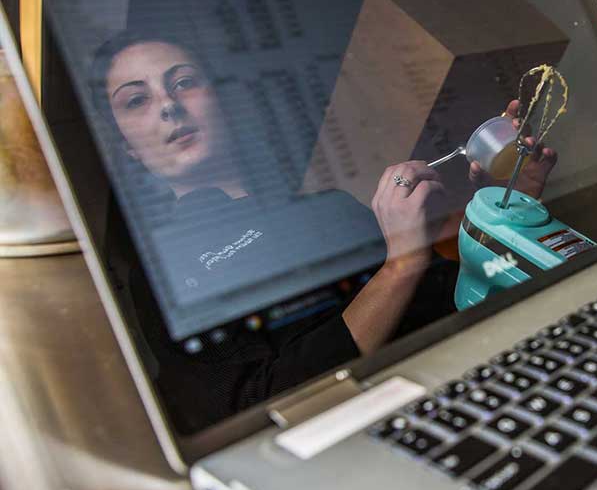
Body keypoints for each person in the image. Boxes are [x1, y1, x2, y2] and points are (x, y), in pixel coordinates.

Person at [91, 31, 462, 431]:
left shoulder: (332, 206)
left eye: (184, 82)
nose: (168, 105)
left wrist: (516, 193)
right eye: (136, 100)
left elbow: (455, 299)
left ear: (222, 100)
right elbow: (261, 407)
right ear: (129, 148)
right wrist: (400, 265)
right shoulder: (164, 276)